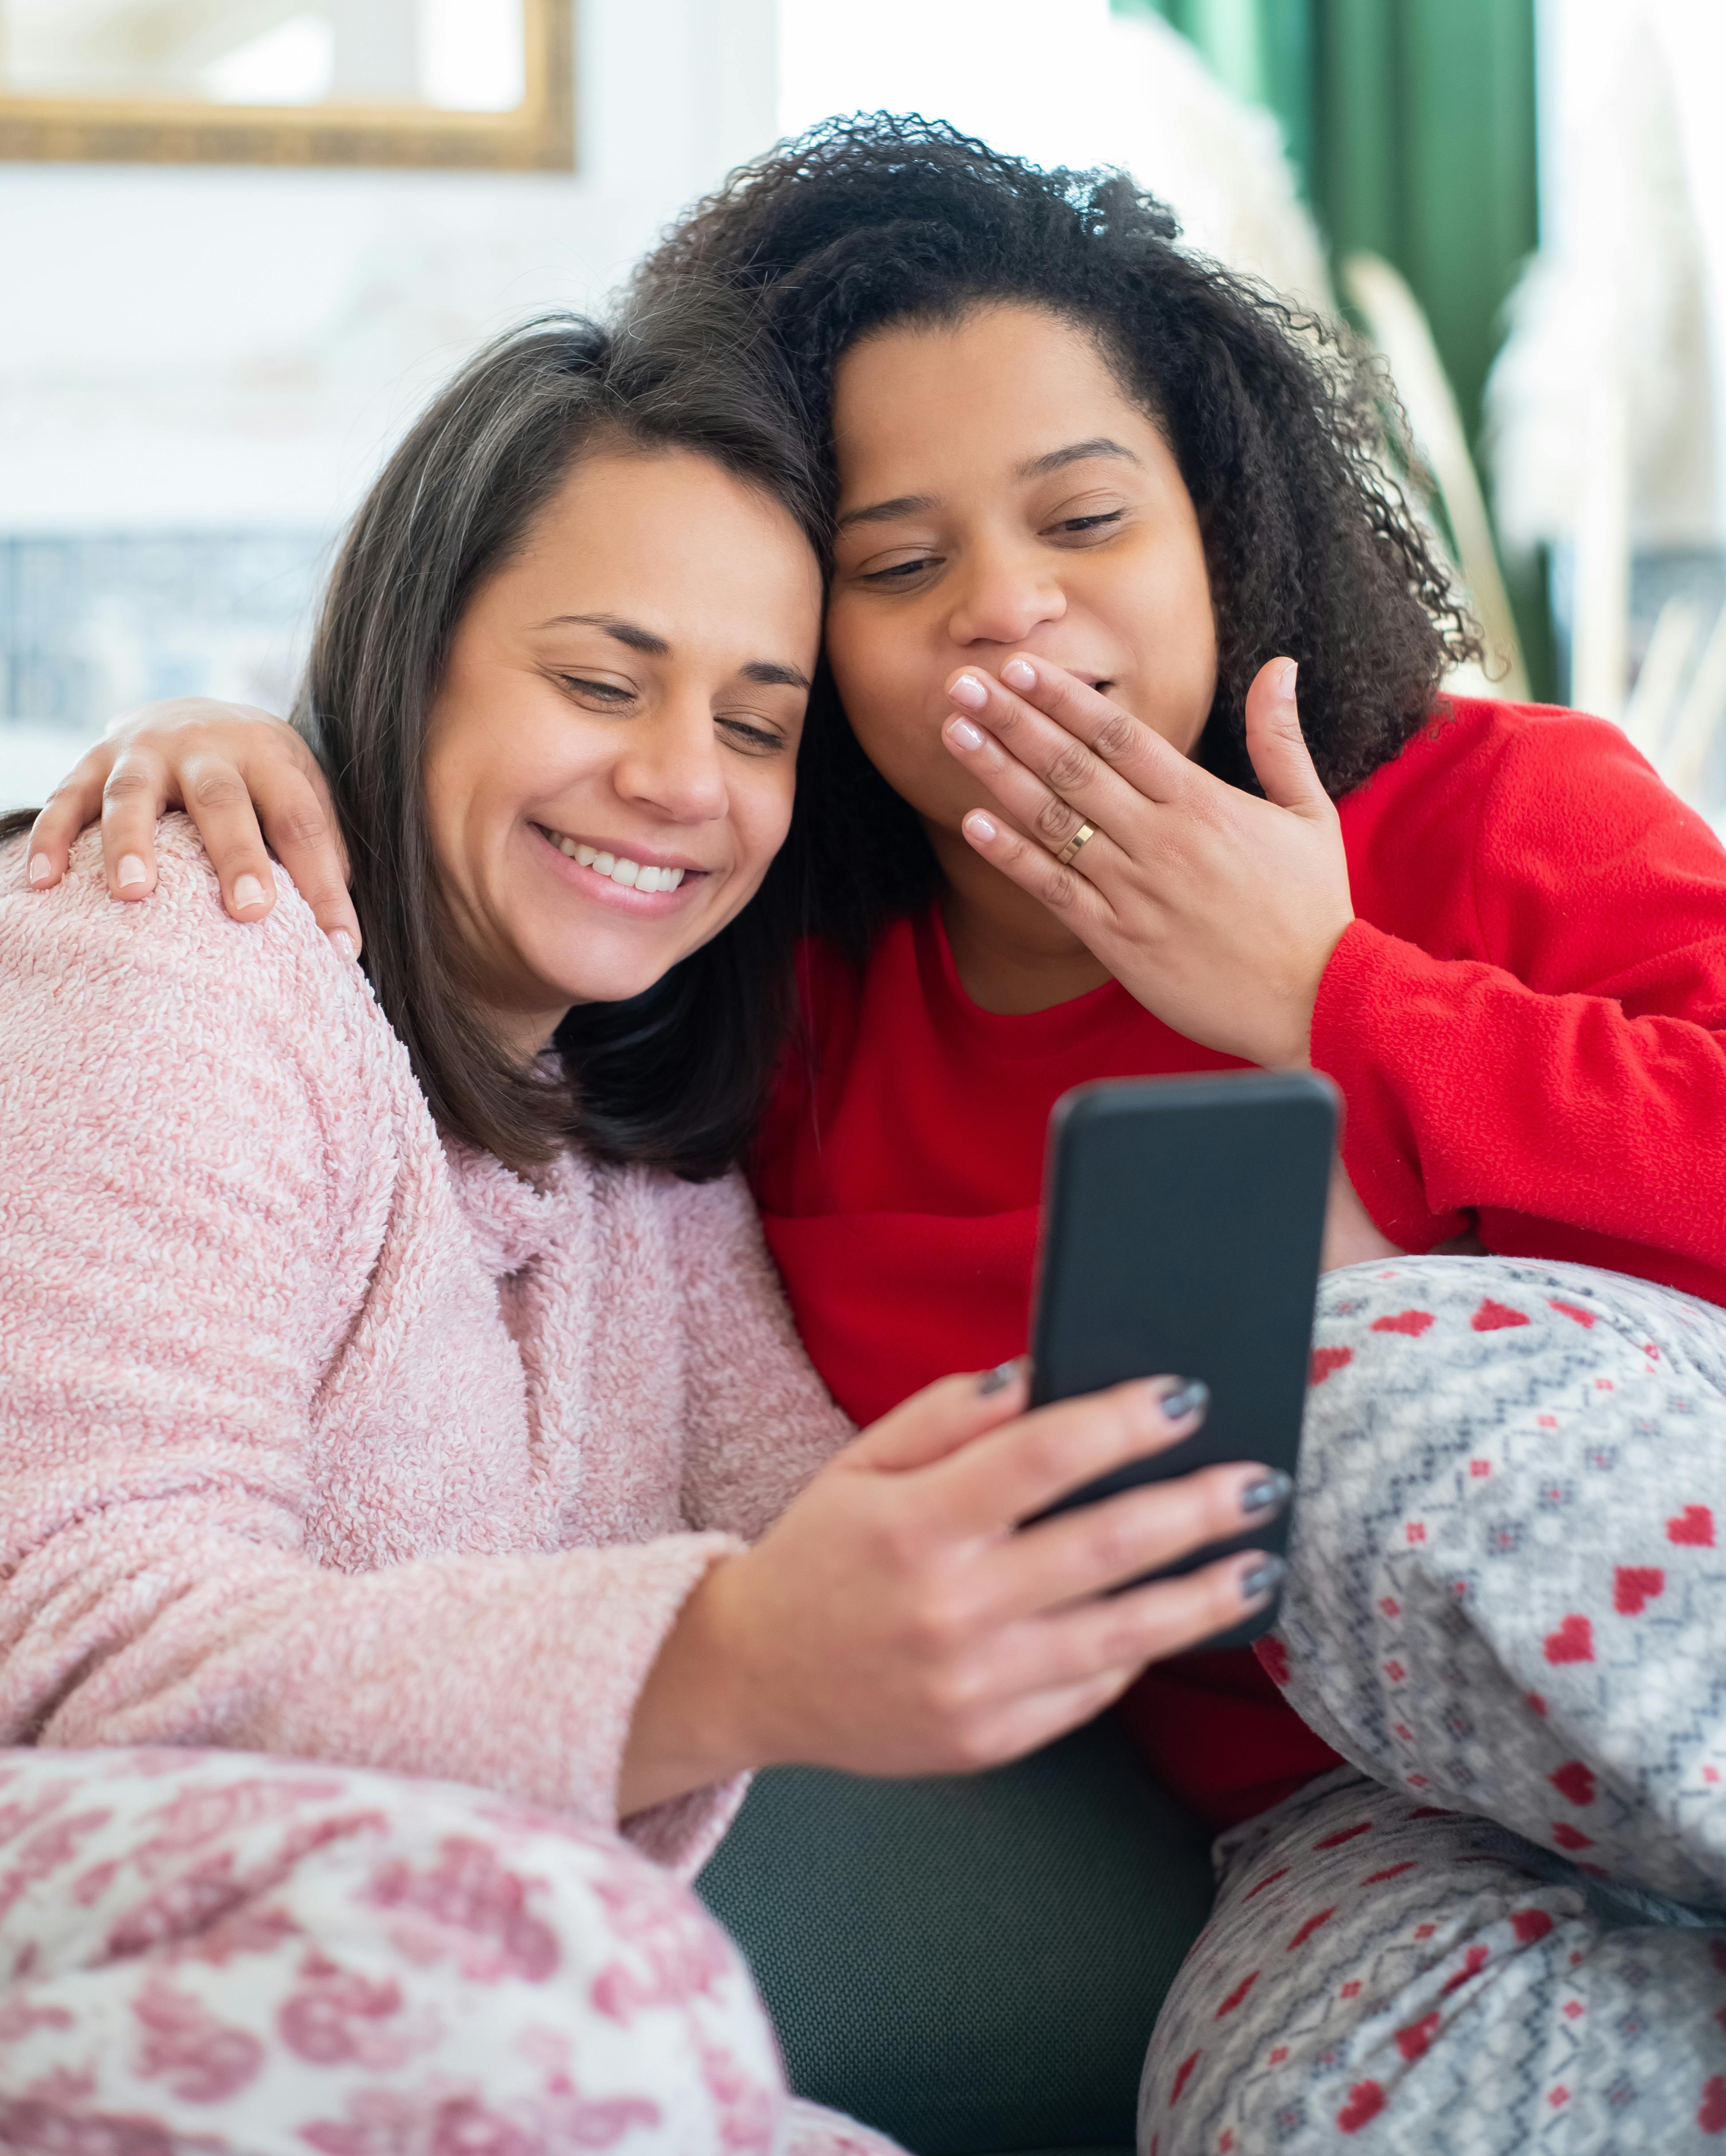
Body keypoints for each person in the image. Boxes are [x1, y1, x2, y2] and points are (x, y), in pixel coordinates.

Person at [34, 118, 1726, 2152]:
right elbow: (824, 1509)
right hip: (1335, 1824)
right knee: (1320, 2103)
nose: (1003, 614)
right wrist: (268, 749)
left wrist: (1338, 994)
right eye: (899, 566)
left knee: (1334, 1391)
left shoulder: (1479, 807)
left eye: (1085, 520)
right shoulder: (763, 1024)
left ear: (1222, 524)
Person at [0, 291, 1288, 2155]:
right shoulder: (167, 960)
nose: (683, 779)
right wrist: (734, 1653)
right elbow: (69, 1652)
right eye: (601, 683)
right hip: (200, 1933)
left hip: (440, 2019)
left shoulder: (638, 1161)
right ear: (410, 653)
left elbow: (810, 1500)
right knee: (590, 1975)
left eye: (757, 724)